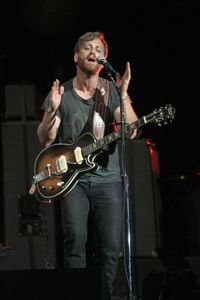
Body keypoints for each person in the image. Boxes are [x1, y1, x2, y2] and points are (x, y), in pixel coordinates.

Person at [33, 31, 138, 296]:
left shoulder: (110, 89)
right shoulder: (63, 93)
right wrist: (51, 110)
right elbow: (46, 139)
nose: (93, 51)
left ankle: (106, 295)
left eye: (98, 49)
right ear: (76, 56)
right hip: (73, 181)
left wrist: (123, 94)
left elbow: (132, 130)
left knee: (111, 248)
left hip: (109, 178)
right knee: (75, 241)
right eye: (87, 48)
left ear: (104, 58)